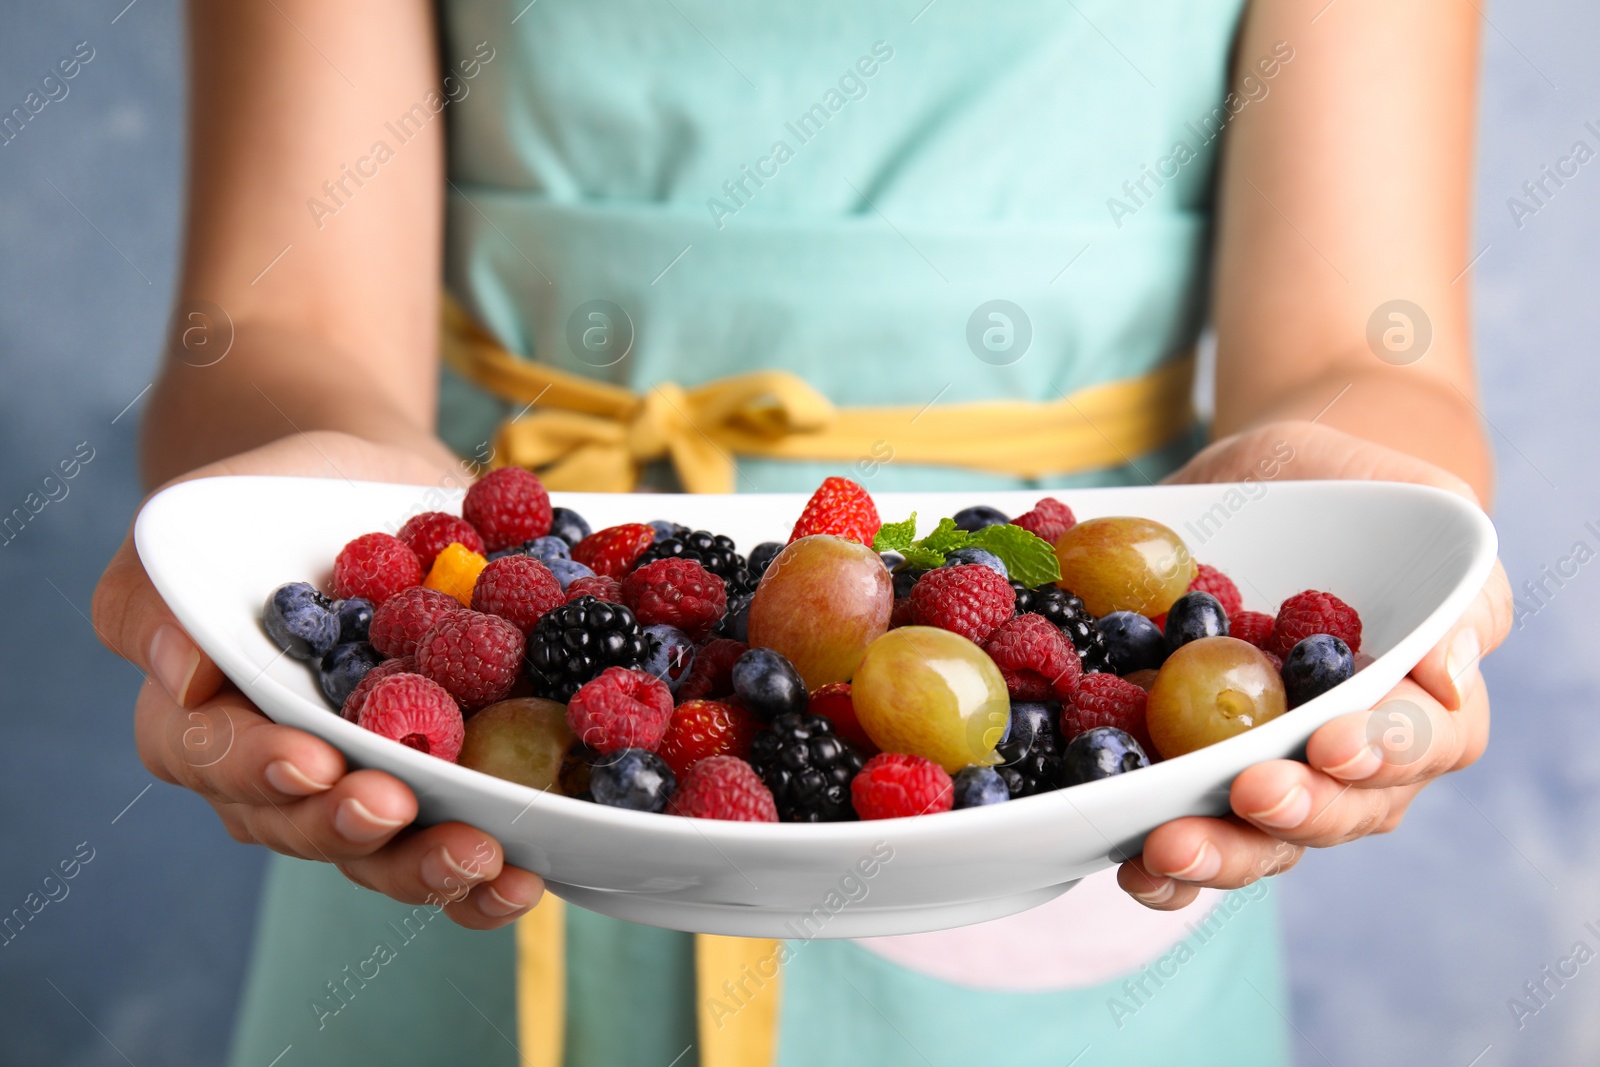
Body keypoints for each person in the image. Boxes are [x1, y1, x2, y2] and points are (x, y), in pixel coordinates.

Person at [92, 1, 1512, 1064]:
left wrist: (1366, 500)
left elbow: (1370, 348)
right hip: (473, 731)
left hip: (1072, 788)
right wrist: (313, 523)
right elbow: (271, 325)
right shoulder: (478, 641)